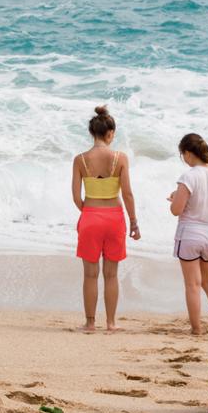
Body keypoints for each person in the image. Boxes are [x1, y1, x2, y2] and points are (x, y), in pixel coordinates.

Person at [70, 105, 140, 333]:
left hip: (90, 217)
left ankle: (90, 323)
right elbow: (127, 193)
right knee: (111, 274)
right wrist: (133, 221)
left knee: (90, 274)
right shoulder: (120, 158)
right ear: (110, 133)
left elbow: (75, 196)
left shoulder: (80, 159)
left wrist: (88, 212)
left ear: (92, 133)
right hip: (114, 218)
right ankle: (110, 323)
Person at [169, 133, 208, 335]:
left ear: (187, 153)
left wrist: (174, 197)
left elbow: (176, 210)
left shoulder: (189, 176)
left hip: (190, 233)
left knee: (192, 284)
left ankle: (196, 328)